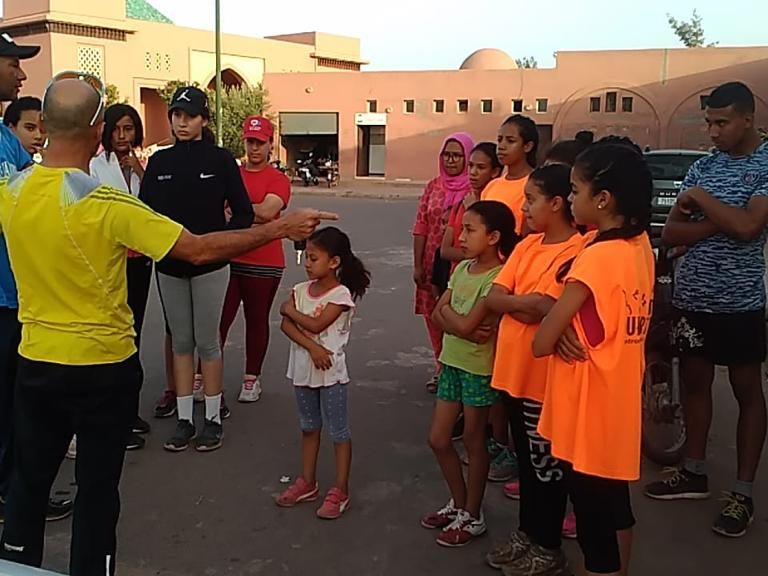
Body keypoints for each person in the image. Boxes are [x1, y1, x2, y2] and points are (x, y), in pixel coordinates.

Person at [0, 75, 334, 576]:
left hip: (36, 362)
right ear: (98, 132)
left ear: (43, 126)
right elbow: (198, 248)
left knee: (28, 485)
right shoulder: (104, 204)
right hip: (101, 369)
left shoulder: (12, 191)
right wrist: (282, 228)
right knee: (96, 492)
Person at [644, 81, 768, 538]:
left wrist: (703, 206)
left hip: (740, 302)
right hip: (692, 298)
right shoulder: (703, 166)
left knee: (746, 390)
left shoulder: (765, 164)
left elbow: (751, 227)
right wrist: (725, 222)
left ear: (748, 119)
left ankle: (742, 491)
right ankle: (693, 471)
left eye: (722, 123)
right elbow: (673, 232)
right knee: (695, 382)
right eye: (709, 123)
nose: (713, 132)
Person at [532, 142, 654, 576]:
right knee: (616, 510)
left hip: (587, 414)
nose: (569, 199)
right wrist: (568, 324)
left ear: (602, 200)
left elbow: (541, 343)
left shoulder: (597, 257)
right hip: (618, 404)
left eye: (576, 190)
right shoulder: (638, 245)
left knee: (594, 533)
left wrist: (557, 323)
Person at [140, 86, 255, 453]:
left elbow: (243, 211)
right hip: (170, 267)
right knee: (182, 342)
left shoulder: (221, 160)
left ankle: (213, 419)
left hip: (212, 266)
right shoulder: (159, 163)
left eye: (189, 116)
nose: (181, 122)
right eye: (176, 115)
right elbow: (145, 214)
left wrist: (220, 241)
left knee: (208, 342)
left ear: (204, 119)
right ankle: (185, 419)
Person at [485, 164, 583, 575]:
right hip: (512, 375)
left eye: (530, 200)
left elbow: (553, 310)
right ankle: (527, 534)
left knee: (546, 469)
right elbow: (495, 297)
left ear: (557, 203)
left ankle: (548, 545)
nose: (522, 208)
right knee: (526, 464)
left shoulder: (578, 250)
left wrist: (532, 305)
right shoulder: (527, 246)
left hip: (543, 382)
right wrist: (531, 304)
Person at [0, 36, 73, 524]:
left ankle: (14, 493)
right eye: (12, 65)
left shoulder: (7, 141)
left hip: (17, 294)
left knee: (15, 404)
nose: (22, 75)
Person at [421, 201, 518, 548]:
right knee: (439, 439)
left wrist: (455, 323)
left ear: (493, 237)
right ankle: (460, 503)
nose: (460, 237)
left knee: (476, 442)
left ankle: (472, 514)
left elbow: (458, 320)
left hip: (477, 370)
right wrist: (458, 326)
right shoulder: (462, 270)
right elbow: (438, 314)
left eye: (469, 230)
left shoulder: (499, 277)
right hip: (452, 362)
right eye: (462, 229)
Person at [276, 227, 370, 520]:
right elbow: (285, 327)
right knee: (309, 426)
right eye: (306, 256)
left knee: (338, 430)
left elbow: (315, 325)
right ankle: (307, 481)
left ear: (334, 262)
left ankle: (340, 488)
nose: (306, 263)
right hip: (304, 371)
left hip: (331, 375)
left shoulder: (340, 295)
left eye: (314, 258)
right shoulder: (300, 290)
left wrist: (289, 311)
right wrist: (312, 349)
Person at [218, 115, 291, 403]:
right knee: (218, 320)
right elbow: (252, 213)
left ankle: (252, 378)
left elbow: (267, 211)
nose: (255, 148)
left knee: (256, 320)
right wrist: (256, 217)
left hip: (265, 261)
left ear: (270, 145)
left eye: (260, 143)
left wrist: (239, 213)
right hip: (228, 256)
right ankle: (201, 376)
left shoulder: (278, 179)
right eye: (250, 141)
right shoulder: (231, 173)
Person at [90, 103, 150, 451]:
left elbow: (153, 206)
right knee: (115, 336)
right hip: (112, 262)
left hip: (141, 260)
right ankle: (114, 418)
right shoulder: (97, 167)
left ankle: (129, 411)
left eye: (129, 129)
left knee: (135, 334)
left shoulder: (142, 166)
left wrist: (141, 172)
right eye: (117, 130)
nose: (123, 137)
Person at [413, 132, 474, 392]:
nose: (451, 160)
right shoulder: (433, 186)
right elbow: (421, 225)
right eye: (447, 155)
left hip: (462, 264)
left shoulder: (475, 189)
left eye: (457, 155)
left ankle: (459, 372)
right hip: (431, 262)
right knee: (434, 317)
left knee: (459, 316)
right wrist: (417, 264)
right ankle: (441, 368)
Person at [482, 115, 539, 235]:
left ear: (527, 146)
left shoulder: (536, 184)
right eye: (499, 140)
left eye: (510, 141)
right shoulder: (492, 186)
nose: (501, 146)